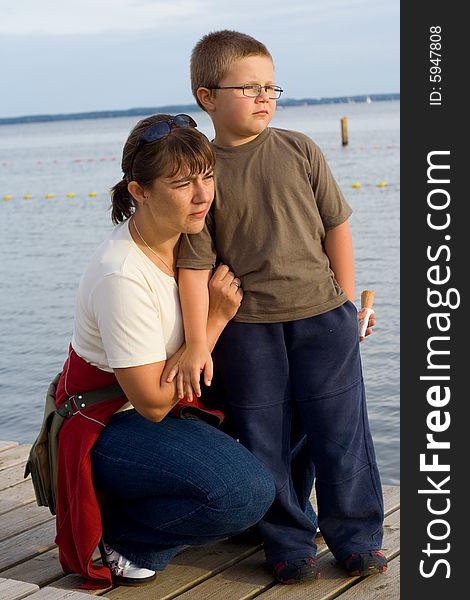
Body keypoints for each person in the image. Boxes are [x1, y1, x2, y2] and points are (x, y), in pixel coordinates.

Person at [172, 30, 386, 585]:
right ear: (207, 97)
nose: (265, 97)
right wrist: (200, 340)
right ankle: (289, 543)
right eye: (249, 87)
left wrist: (344, 298)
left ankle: (357, 536)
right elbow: (194, 265)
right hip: (248, 330)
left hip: (323, 316)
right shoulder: (204, 175)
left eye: (271, 86)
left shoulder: (300, 149)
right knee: (264, 439)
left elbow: (336, 225)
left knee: (340, 432)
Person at [53, 113, 276, 590]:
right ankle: (129, 538)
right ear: (140, 191)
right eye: (181, 184)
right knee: (244, 493)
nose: (203, 195)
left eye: (208, 177)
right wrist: (214, 321)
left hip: (175, 405)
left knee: (295, 402)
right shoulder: (122, 275)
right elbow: (153, 403)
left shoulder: (192, 238)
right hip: (114, 423)